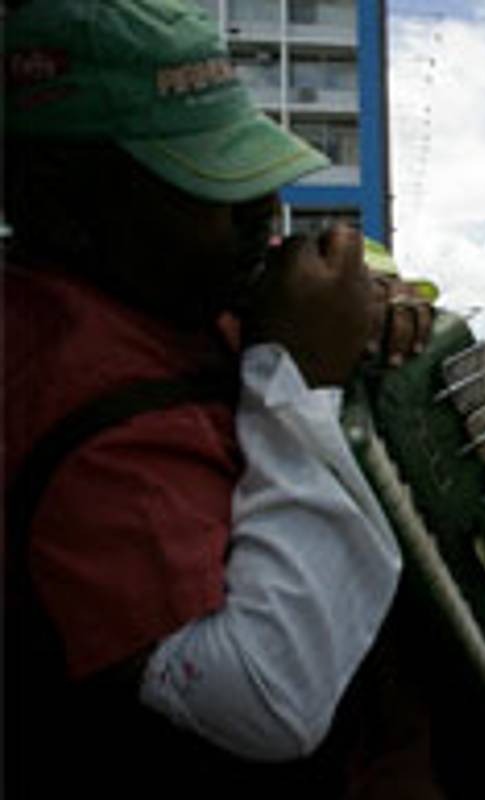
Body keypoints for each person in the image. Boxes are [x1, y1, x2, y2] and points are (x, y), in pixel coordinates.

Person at [3, 3, 442, 796]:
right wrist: (300, 377)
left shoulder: (166, 287)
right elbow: (268, 698)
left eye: (253, 171)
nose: (260, 215)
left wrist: (369, 297)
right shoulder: (74, 400)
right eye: (203, 179)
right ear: (58, 201)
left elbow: (316, 265)